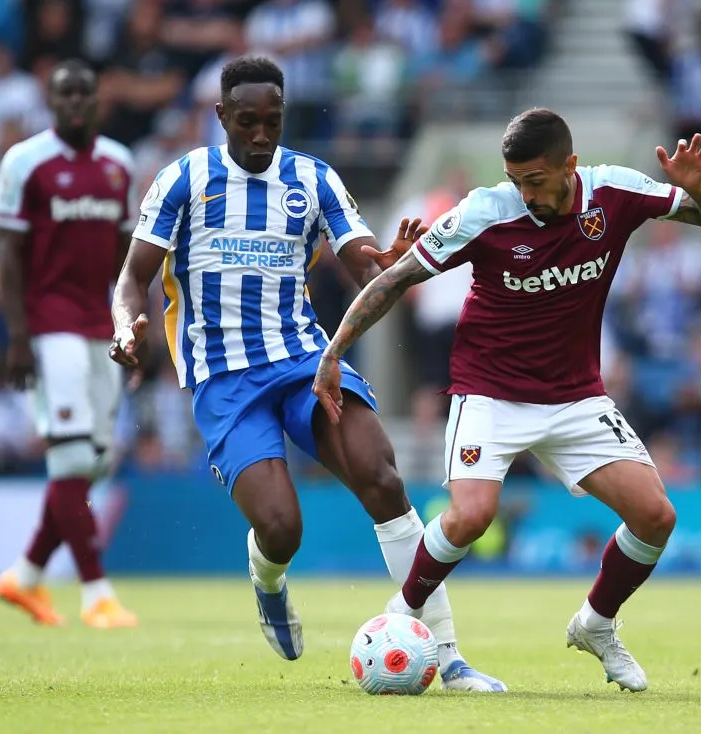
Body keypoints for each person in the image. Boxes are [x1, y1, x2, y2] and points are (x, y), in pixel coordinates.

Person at [109, 56, 504, 692]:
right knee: (282, 527)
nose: (262, 135)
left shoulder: (313, 181)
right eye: (247, 123)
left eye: (272, 121)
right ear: (221, 118)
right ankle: (268, 579)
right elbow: (130, 278)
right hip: (225, 381)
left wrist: (394, 268)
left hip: (303, 362)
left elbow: (365, 273)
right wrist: (127, 325)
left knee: (382, 476)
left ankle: (451, 658)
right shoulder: (183, 180)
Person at [313, 110, 701, 692]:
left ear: (570, 165)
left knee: (657, 516)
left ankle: (596, 624)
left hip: (574, 396)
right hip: (490, 390)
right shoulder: (486, 211)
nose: (525, 193)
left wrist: (697, 189)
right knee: (471, 516)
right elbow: (394, 280)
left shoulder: (615, 192)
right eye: (516, 180)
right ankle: (401, 615)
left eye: (536, 180)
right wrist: (335, 350)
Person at [0, 59, 138, 629]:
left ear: (98, 100)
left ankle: (24, 576)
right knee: (75, 456)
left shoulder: (119, 165)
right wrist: (17, 336)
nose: (76, 102)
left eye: (85, 93)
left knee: (93, 461)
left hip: (101, 327)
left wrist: (133, 324)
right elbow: (8, 253)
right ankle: (96, 593)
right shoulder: (25, 162)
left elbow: (130, 257)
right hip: (49, 328)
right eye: (65, 94)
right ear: (50, 102)